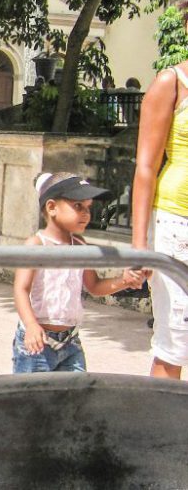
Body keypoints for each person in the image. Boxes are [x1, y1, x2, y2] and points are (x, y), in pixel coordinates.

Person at [13, 172, 145, 373]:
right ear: (51, 207)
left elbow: (94, 286)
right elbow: (21, 289)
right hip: (37, 342)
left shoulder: (81, 245)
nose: (86, 214)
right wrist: (31, 325)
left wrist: (124, 280)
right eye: (78, 206)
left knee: (76, 398)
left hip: (70, 341)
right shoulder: (37, 245)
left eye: (88, 208)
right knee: (33, 400)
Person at [132, 19, 188, 380]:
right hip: (176, 225)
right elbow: (145, 168)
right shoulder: (171, 83)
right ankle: (160, 435)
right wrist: (140, 245)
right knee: (175, 344)